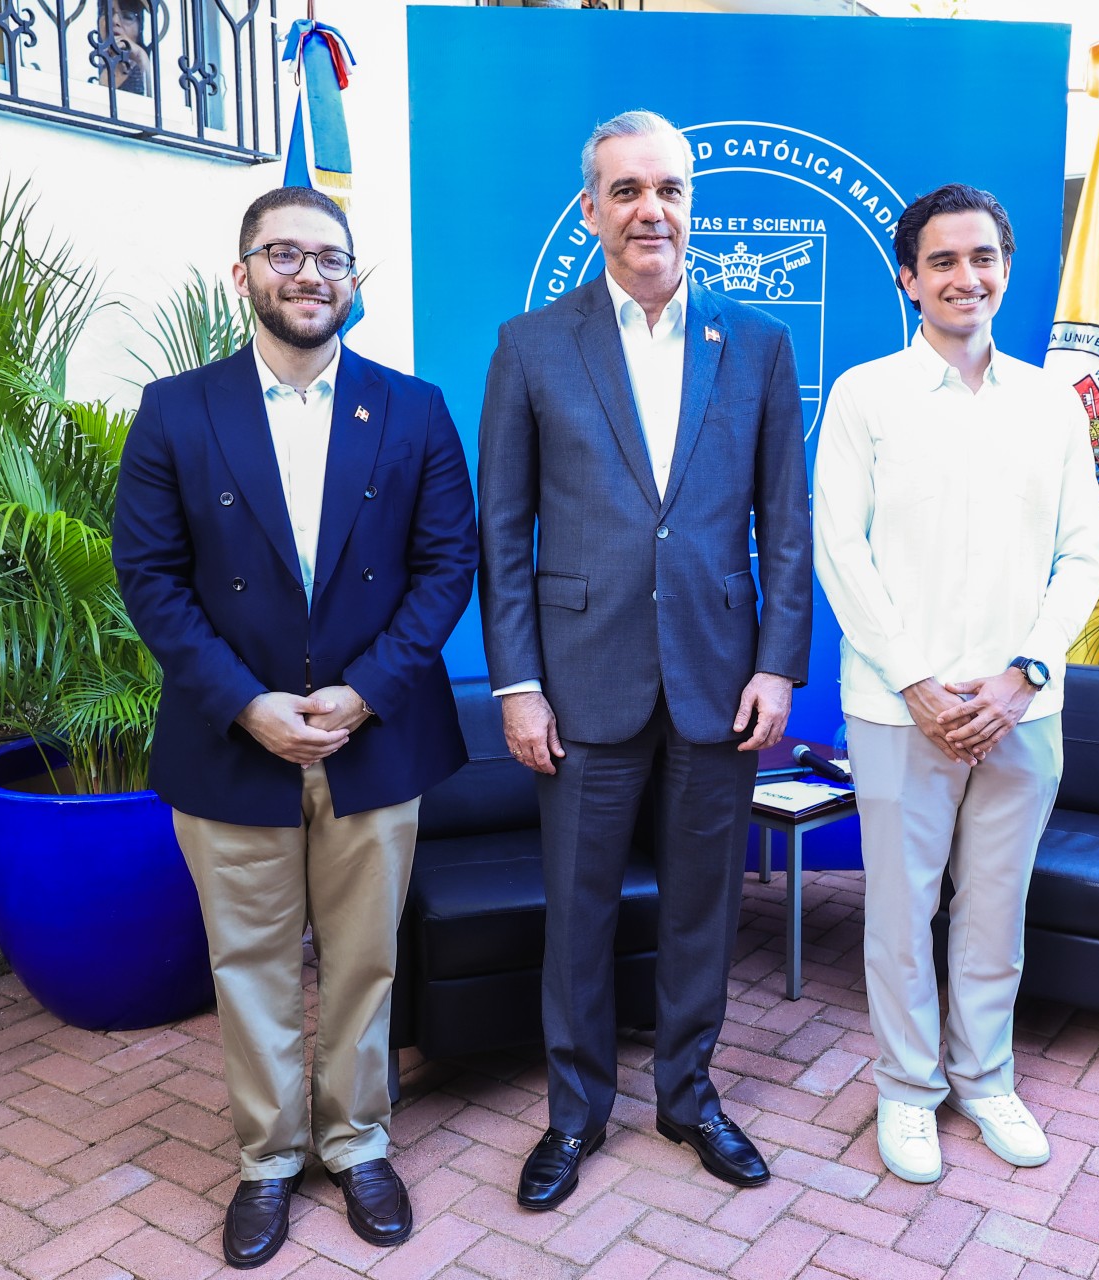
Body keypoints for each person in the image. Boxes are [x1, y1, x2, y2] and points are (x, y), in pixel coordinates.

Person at [112, 187, 477, 1266]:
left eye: (330, 257)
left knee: (365, 962)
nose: (310, 274)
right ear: (244, 275)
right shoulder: (177, 409)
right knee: (251, 964)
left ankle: (359, 1142)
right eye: (284, 254)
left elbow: (446, 565)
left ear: (354, 280)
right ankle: (269, 1159)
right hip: (234, 739)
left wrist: (366, 691)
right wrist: (246, 701)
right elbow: (151, 575)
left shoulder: (413, 408)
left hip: (375, 736)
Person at [477, 109, 812, 1209]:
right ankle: (574, 1115)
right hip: (581, 683)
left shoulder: (756, 343)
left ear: (691, 204)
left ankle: (689, 1095)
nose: (649, 210)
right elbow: (502, 529)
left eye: (668, 189)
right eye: (626, 191)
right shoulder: (532, 343)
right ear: (591, 210)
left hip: (720, 679)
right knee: (578, 912)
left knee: (702, 908)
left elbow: (785, 520)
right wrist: (518, 683)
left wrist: (778, 663)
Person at [813, 183, 1099, 1185]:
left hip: (1024, 709)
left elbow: (1083, 553)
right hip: (902, 710)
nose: (964, 277)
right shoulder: (866, 396)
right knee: (900, 914)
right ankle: (906, 1089)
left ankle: (984, 1079)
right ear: (910, 278)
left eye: (982, 257)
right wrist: (918, 683)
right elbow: (840, 551)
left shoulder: (1051, 402)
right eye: (941, 260)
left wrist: (1026, 673)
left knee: (994, 909)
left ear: (1006, 269)